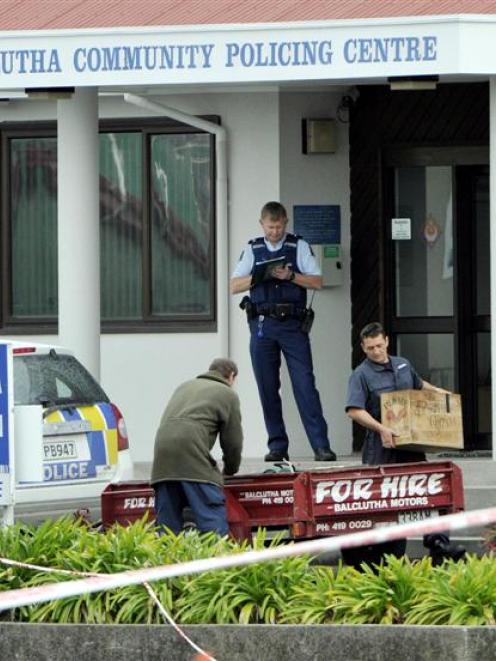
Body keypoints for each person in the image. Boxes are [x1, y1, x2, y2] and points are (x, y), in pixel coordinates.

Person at [345, 321, 465, 565]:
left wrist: (441, 395)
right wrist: (381, 428)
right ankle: (384, 555)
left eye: (379, 346)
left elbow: (420, 386)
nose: (376, 352)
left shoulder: (403, 364)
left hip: (411, 445)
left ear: (387, 340)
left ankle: (438, 542)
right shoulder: (361, 375)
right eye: (370, 348)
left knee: (427, 492)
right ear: (363, 347)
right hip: (382, 447)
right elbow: (354, 410)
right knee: (387, 500)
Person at [230, 200, 336, 463]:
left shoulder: (298, 246)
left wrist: (290, 277)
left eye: (278, 227)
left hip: (292, 326)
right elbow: (234, 285)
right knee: (267, 387)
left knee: (305, 385)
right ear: (262, 224)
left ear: (285, 223)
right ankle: (277, 445)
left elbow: (317, 281)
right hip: (263, 326)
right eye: (270, 227)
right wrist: (261, 276)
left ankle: (321, 446)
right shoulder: (252, 248)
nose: (275, 232)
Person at [151, 358, 243, 536]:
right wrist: (231, 468)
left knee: (167, 528)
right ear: (231, 376)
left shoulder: (184, 387)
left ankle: (167, 561)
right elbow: (233, 441)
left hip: (162, 456)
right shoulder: (227, 393)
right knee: (211, 516)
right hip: (191, 450)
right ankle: (217, 559)